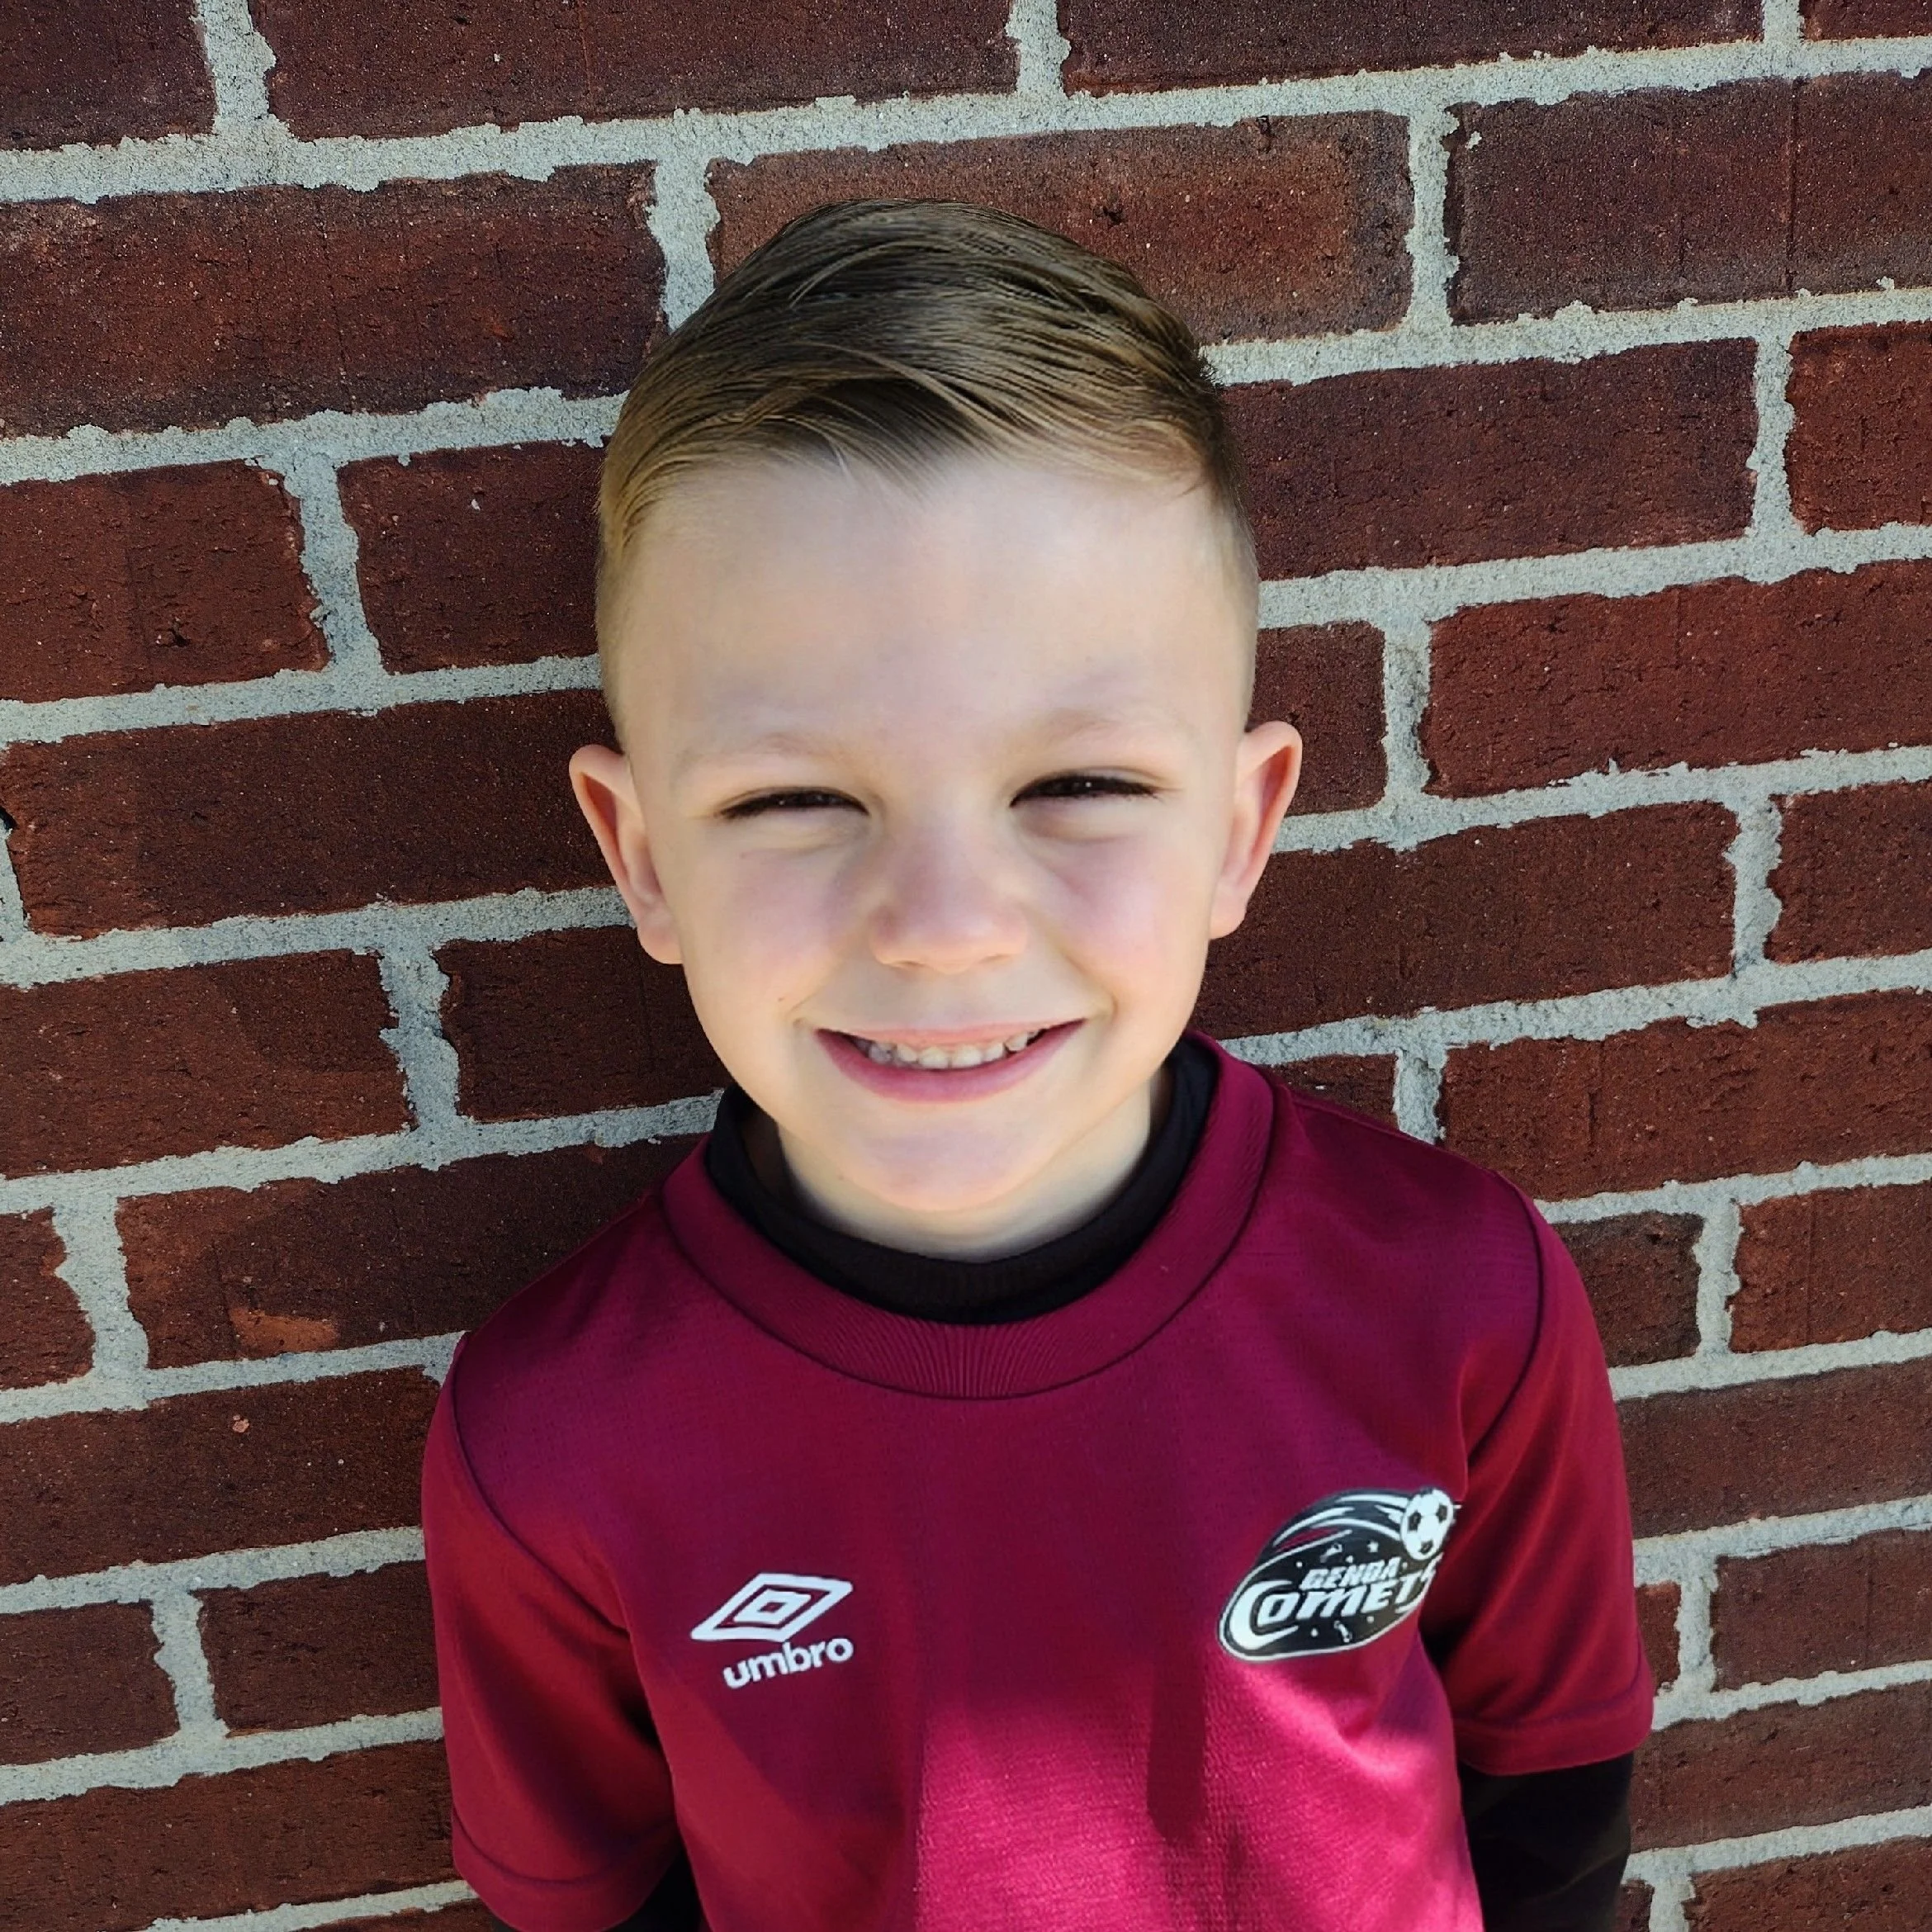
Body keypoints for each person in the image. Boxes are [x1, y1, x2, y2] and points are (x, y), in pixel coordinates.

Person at [420, 199, 1652, 1932]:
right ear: (639, 858)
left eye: (1075, 785)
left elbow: (1557, 1807)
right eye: (792, 799)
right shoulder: (552, 1442)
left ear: (1242, 828)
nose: (942, 924)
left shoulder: (1458, 1296)